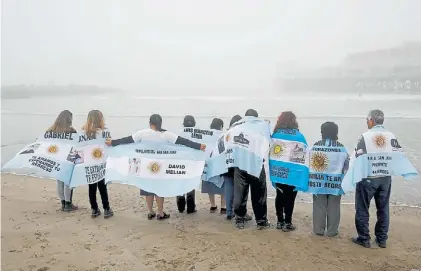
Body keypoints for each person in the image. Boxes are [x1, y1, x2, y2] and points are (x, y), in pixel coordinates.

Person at [105, 114, 206, 221]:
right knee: (159, 188)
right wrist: (199, 146)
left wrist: (113, 143)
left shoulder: (143, 133)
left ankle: (150, 212)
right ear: (160, 123)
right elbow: (184, 142)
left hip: (145, 166)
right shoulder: (167, 135)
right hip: (160, 168)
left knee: (147, 187)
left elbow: (127, 140)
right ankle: (160, 212)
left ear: (150, 123)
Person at [351, 109, 399, 248]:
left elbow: (358, 157)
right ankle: (382, 239)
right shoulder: (391, 136)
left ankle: (364, 238)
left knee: (362, 207)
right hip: (385, 177)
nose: (366, 122)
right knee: (383, 208)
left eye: (367, 120)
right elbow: (398, 155)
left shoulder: (365, 136)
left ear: (371, 120)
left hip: (369, 177)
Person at [309, 122, 349, 237]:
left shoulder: (316, 145)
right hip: (336, 182)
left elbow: (309, 162)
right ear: (336, 133)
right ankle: (332, 231)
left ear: (322, 132)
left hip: (318, 181)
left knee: (319, 206)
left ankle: (318, 230)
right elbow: (346, 164)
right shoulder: (341, 147)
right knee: (334, 206)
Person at [233, 109, 270, 230]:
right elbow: (267, 144)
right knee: (259, 194)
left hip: (240, 164)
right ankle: (261, 221)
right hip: (256, 165)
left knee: (240, 193)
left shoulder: (236, 126)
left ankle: (239, 219)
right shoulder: (262, 128)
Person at [271, 111, 307, 232]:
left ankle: (279, 221)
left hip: (278, 172)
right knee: (290, 198)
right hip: (293, 173)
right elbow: (304, 156)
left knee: (279, 195)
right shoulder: (299, 136)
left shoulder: (275, 135)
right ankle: (288, 223)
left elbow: (271, 153)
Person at [82, 110, 114, 219]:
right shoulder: (105, 131)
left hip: (89, 163)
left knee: (92, 187)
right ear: (100, 119)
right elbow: (109, 145)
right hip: (101, 162)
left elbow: (80, 148)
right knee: (102, 186)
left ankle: (94, 209)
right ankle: (106, 209)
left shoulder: (83, 133)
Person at [47, 110, 78, 212]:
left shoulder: (50, 131)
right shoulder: (71, 131)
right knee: (67, 182)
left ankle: (63, 204)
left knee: (60, 182)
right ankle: (68, 204)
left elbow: (46, 144)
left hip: (56, 158)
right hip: (68, 159)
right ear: (69, 119)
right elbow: (76, 145)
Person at [222, 114, 252, 221]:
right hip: (239, 166)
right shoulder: (241, 134)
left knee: (228, 188)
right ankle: (241, 212)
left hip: (226, 165)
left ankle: (229, 212)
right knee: (240, 191)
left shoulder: (225, 134)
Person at [201, 118, 227, 214]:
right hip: (219, 163)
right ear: (221, 126)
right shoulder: (223, 135)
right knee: (222, 185)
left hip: (207, 163)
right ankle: (223, 207)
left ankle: (213, 205)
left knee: (209, 183)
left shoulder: (206, 134)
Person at [176, 115, 198, 214]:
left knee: (180, 185)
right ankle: (190, 207)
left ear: (183, 123)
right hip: (192, 163)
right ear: (194, 123)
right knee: (190, 185)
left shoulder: (179, 133)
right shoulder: (197, 134)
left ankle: (180, 207)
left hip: (180, 162)